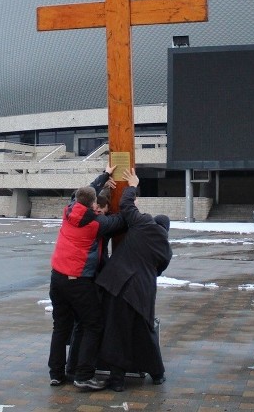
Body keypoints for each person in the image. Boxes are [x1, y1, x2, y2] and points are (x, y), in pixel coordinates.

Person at [48, 165, 125, 390]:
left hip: (57, 278)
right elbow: (120, 222)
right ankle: (83, 375)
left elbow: (82, 192)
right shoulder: (95, 225)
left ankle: (56, 373)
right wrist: (129, 194)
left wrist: (103, 176)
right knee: (93, 324)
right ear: (93, 205)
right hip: (78, 281)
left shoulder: (68, 210)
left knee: (60, 327)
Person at [96, 168, 172, 392]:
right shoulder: (165, 249)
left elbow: (127, 206)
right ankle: (157, 374)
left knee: (116, 332)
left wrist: (132, 185)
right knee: (144, 334)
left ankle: (117, 379)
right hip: (140, 292)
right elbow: (158, 271)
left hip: (116, 284)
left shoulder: (143, 225)